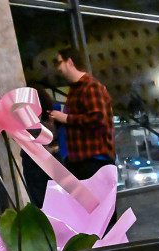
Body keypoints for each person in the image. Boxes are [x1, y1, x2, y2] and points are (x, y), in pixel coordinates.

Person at [48, 47, 115, 180]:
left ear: (70, 62)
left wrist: (65, 118)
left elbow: (98, 119)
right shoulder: (76, 89)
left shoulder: (91, 86)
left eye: (59, 62)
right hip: (80, 159)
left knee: (95, 200)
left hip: (93, 159)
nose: (58, 68)